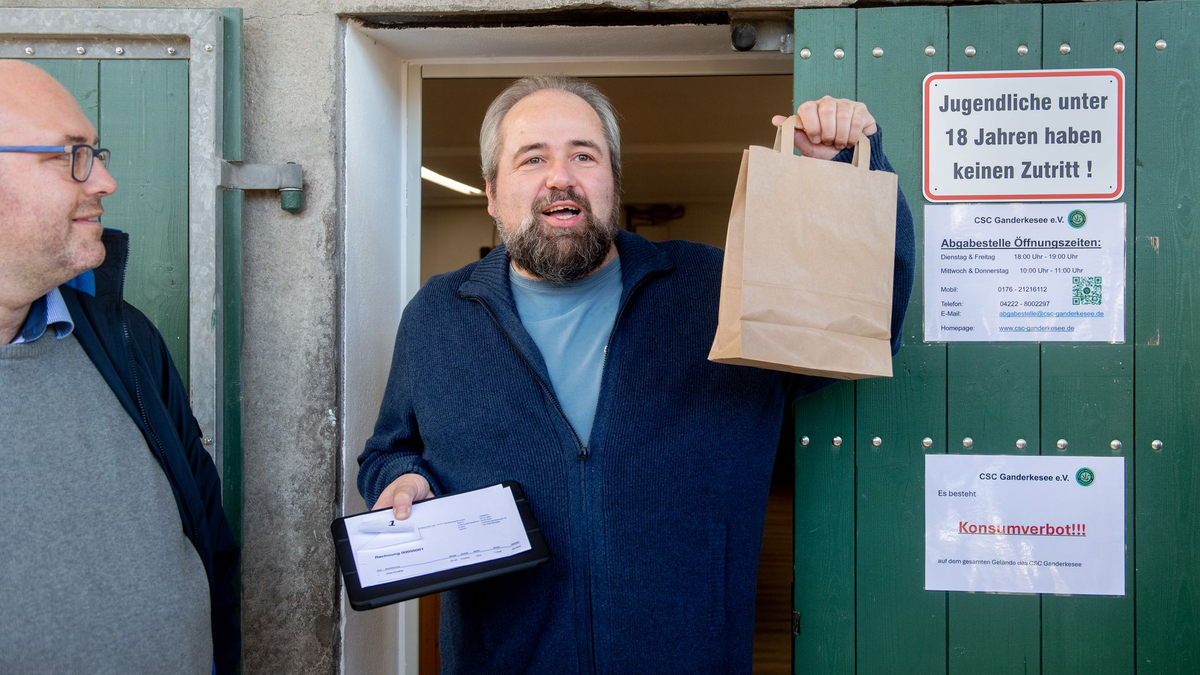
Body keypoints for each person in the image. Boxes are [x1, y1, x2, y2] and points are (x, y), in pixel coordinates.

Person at [359, 75, 914, 674]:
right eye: (533, 158)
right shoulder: (438, 316)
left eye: (583, 155)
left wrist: (839, 171)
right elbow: (391, 449)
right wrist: (404, 480)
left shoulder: (717, 292)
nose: (560, 177)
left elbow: (867, 317)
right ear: (492, 192)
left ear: (613, 182)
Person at [0, 61, 240, 674]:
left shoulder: (122, 335)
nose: (104, 180)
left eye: (95, 152)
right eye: (71, 156)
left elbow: (207, 540)